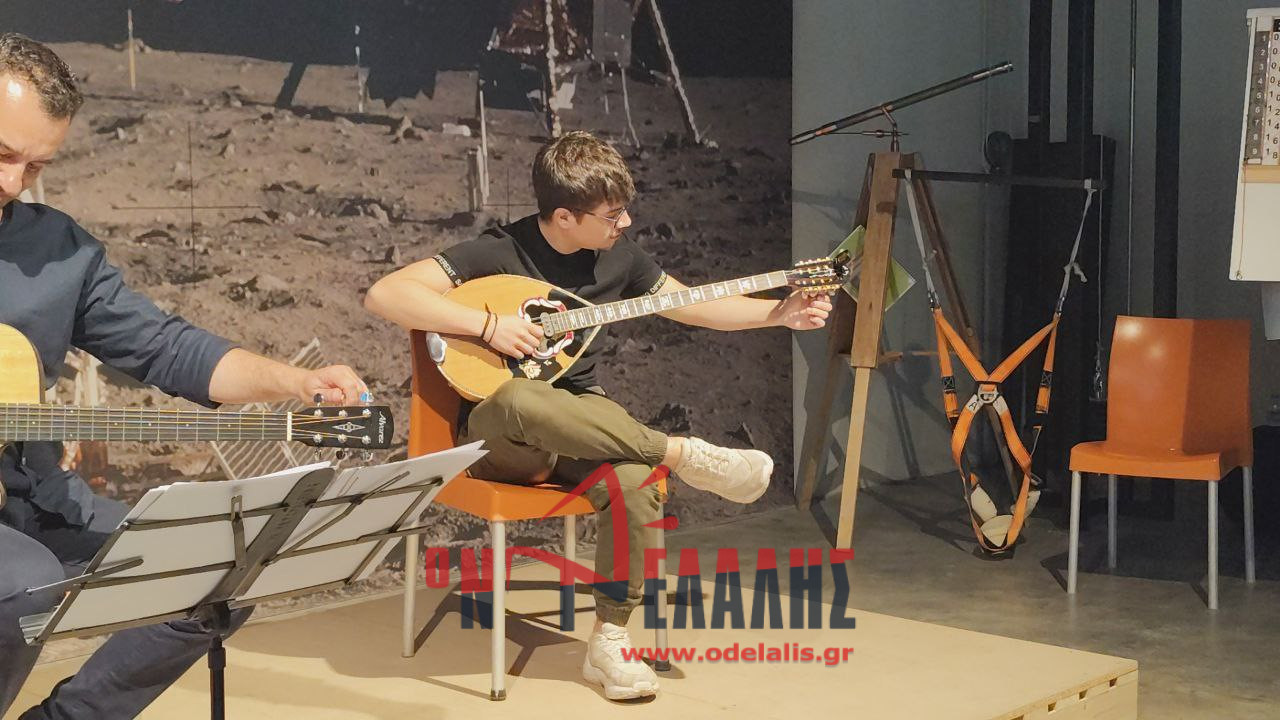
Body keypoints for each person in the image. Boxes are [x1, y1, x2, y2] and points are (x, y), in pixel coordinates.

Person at [364, 130, 831, 701]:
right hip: (501, 438)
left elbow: (690, 304)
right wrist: (488, 326)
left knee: (635, 479)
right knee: (519, 398)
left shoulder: (620, 257)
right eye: (612, 215)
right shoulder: (495, 252)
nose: (625, 223)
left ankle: (610, 639)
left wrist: (778, 313)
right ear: (564, 217)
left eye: (624, 211)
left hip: (582, 423)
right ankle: (681, 452)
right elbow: (385, 294)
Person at [0, 34, 370, 719]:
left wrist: (296, 383)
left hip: (41, 500)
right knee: (26, 580)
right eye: (2, 154)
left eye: (36, 165)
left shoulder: (60, 250)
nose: (14, 183)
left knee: (221, 565)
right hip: (18, 555)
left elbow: (168, 348)